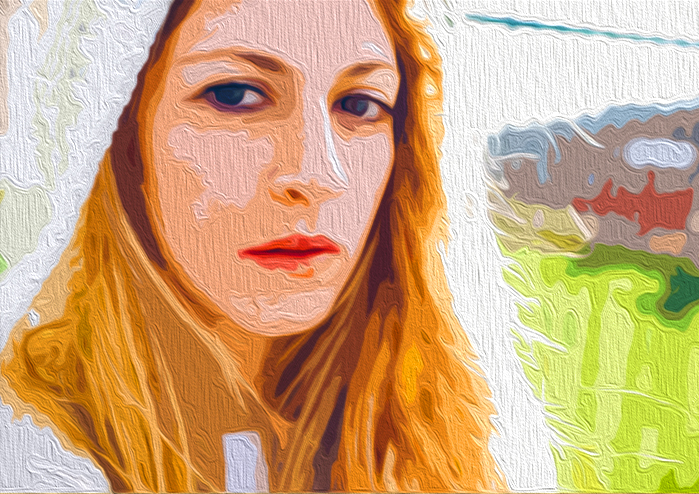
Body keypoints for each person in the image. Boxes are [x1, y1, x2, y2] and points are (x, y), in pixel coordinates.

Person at [0, 0, 507, 491]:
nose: (316, 174)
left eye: (359, 105)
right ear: (121, 131)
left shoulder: (425, 438)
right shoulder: (31, 446)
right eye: (234, 94)